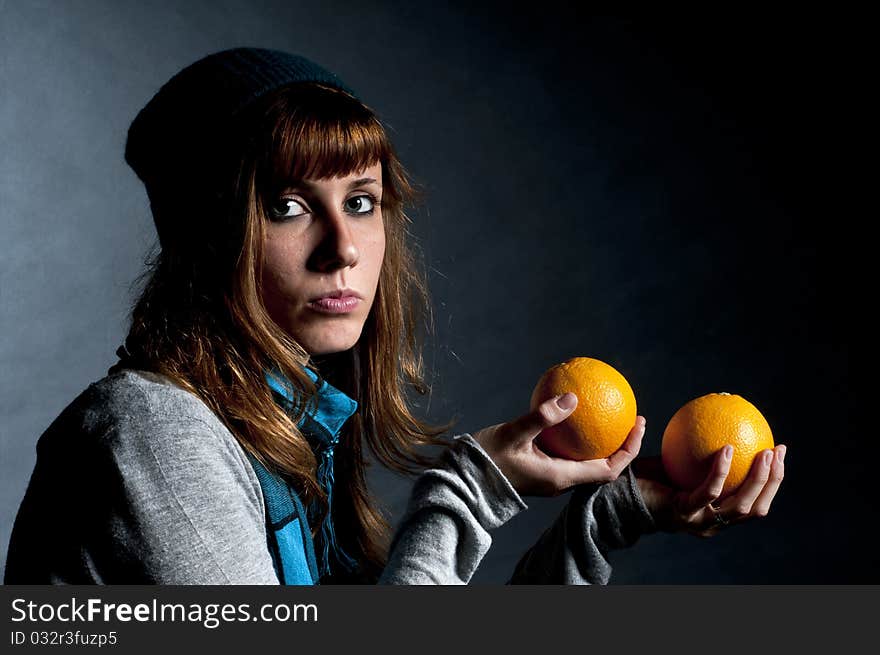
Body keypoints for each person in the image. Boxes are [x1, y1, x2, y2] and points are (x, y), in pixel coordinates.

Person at [4, 48, 786, 585]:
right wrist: (469, 488)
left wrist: (610, 518)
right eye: (286, 206)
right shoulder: (151, 433)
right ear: (210, 241)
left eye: (361, 201)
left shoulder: (286, 437)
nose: (342, 247)